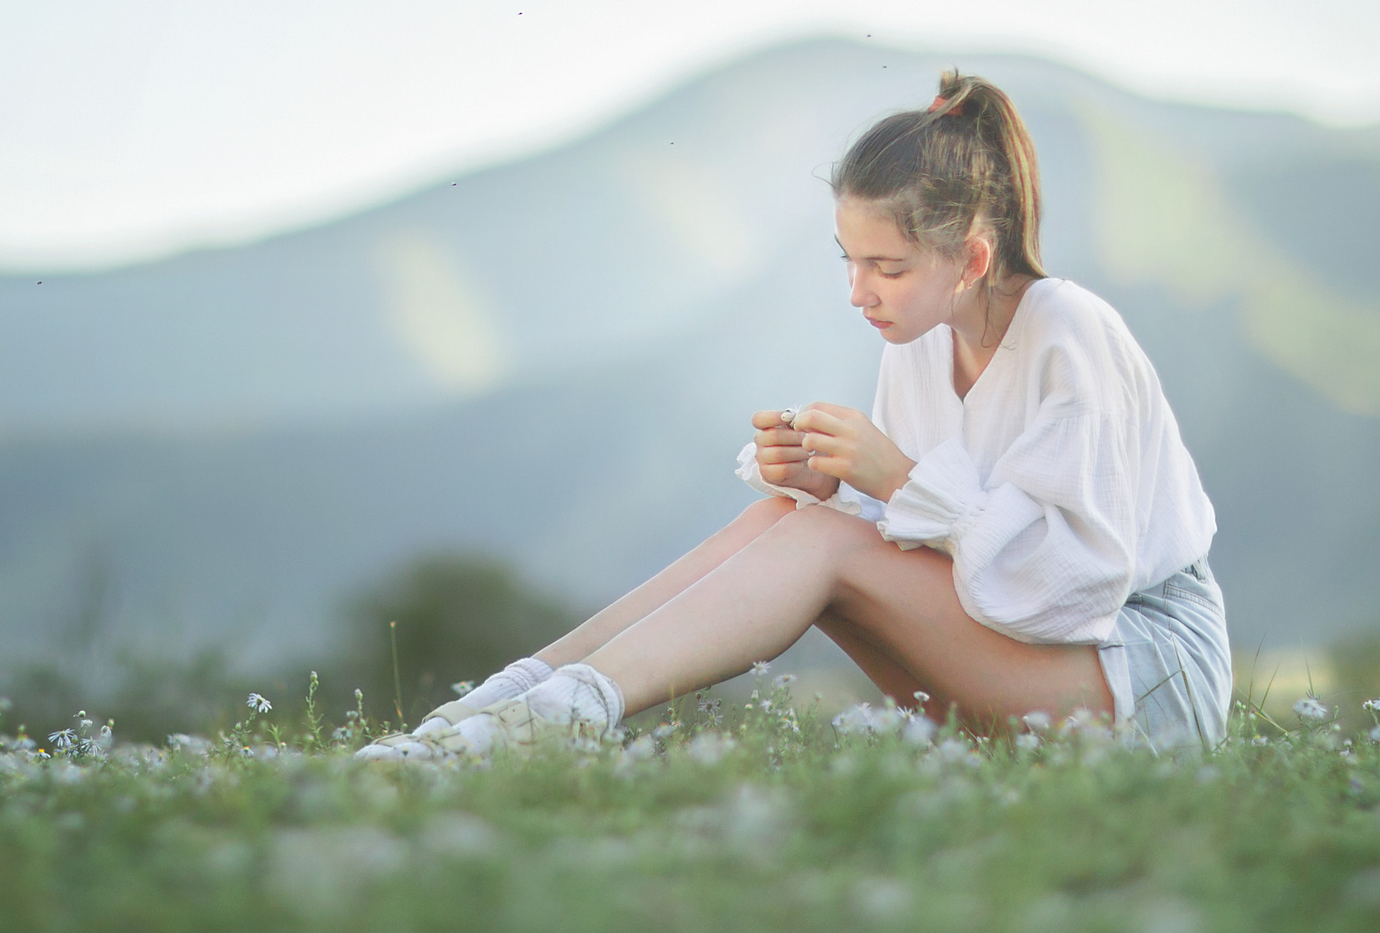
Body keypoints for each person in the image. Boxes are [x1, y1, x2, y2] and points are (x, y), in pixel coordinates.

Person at [358, 70, 1229, 758]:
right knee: (789, 515)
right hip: (1034, 658)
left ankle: (551, 722)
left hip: (1145, 675)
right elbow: (921, 547)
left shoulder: (1068, 333)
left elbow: (1070, 591)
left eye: (886, 267)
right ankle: (488, 711)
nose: (859, 292)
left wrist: (894, 479)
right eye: (848, 260)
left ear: (970, 256)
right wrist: (841, 488)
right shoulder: (918, 344)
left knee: (821, 541)